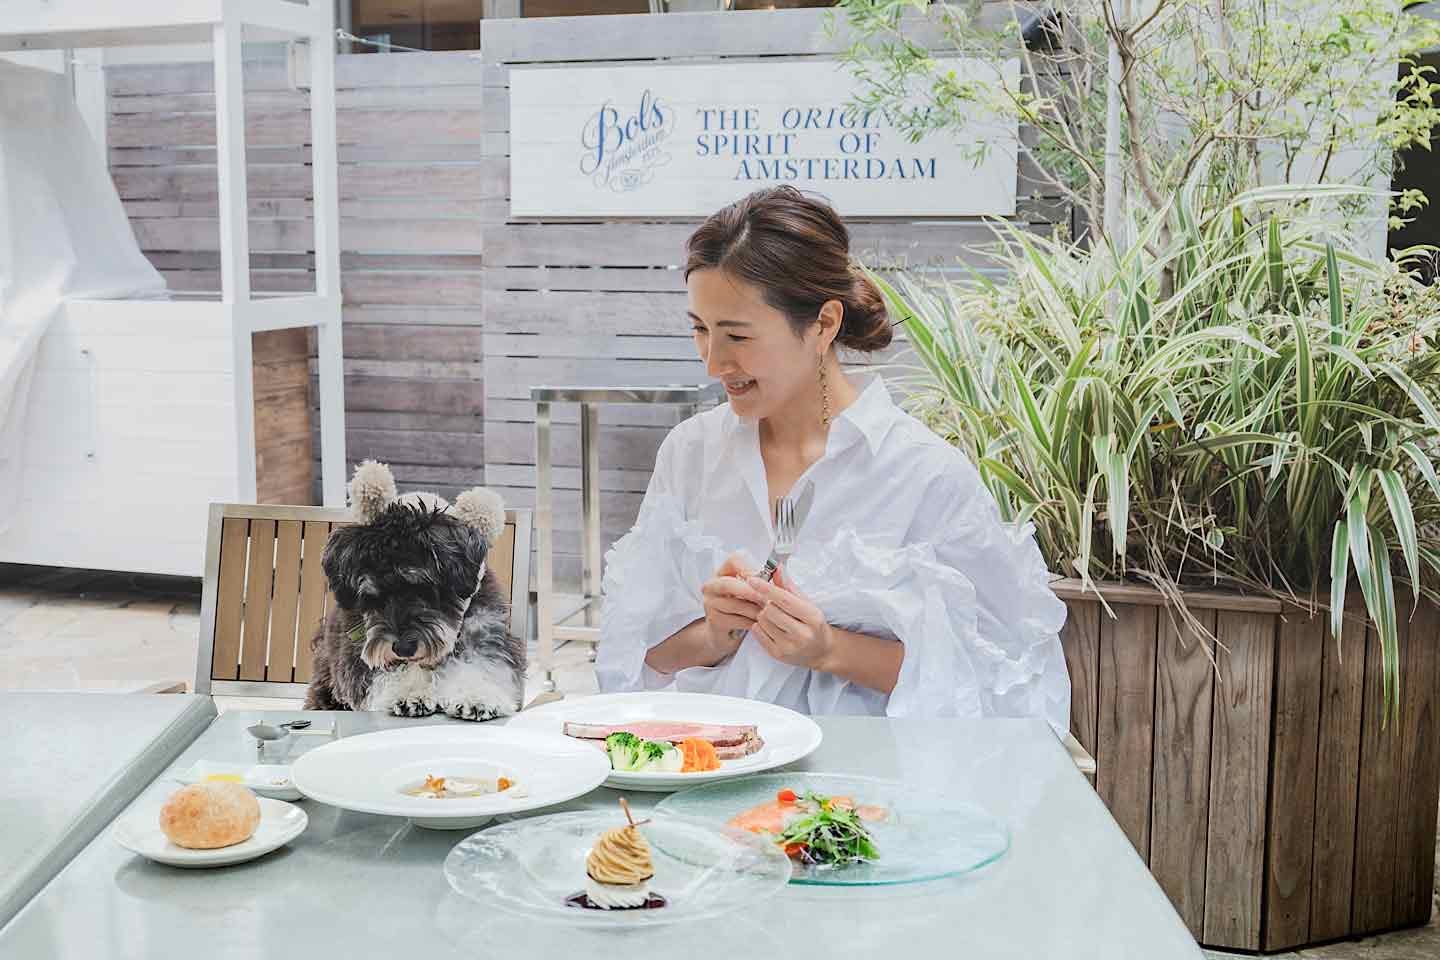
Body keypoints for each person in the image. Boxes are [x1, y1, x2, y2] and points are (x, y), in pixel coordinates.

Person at [595, 186, 1070, 731]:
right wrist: (716, 632)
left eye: (737, 335)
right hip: (707, 766)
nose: (713, 363)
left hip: (865, 785)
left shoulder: (923, 474)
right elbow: (637, 659)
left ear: (822, 324)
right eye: (700, 330)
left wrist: (828, 650)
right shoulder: (691, 453)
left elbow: (1003, 682)